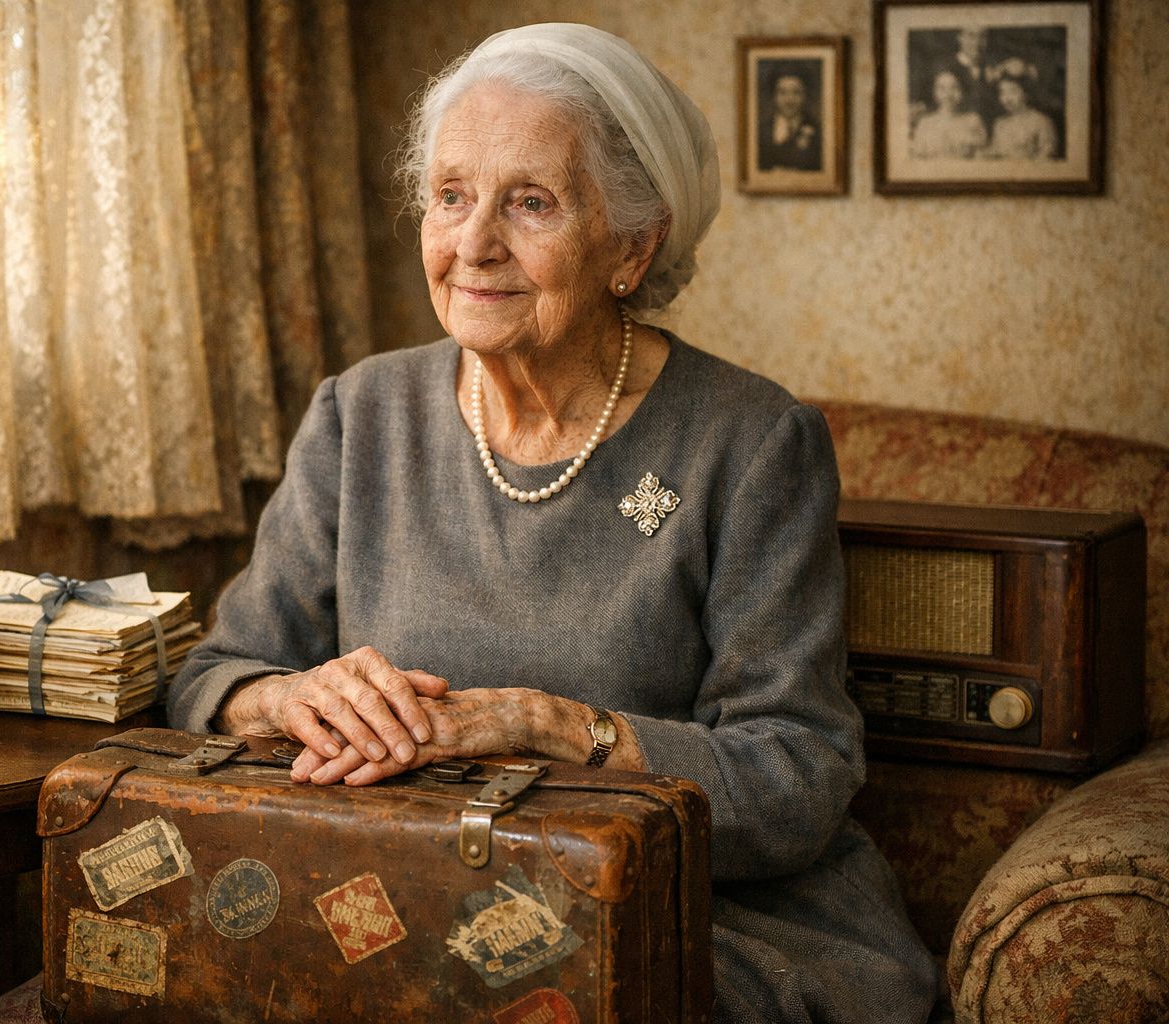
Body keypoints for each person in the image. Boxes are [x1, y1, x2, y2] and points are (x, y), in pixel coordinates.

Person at [169, 22, 935, 1023]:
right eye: (451, 196)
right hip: (409, 904)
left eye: (529, 203)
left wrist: (545, 723)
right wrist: (289, 699)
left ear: (632, 245)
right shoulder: (362, 416)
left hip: (699, 913)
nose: (474, 244)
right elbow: (212, 677)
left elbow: (796, 776)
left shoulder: (751, 443)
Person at [910, 68, 988, 159]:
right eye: (942, 88)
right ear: (934, 92)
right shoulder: (925, 123)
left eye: (955, 87)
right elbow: (918, 161)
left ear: (963, 90)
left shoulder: (973, 121)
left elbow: (981, 159)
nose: (948, 94)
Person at [757, 71, 821, 171]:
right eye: (782, 92)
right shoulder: (760, 131)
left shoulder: (818, 130)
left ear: (805, 96)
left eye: (796, 92)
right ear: (774, 96)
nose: (789, 100)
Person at [984, 73, 1059, 160]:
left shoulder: (1042, 122)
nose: (1007, 98)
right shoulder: (999, 124)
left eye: (1013, 91)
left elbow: (1047, 157)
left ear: (1026, 93)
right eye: (1002, 92)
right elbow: (995, 154)